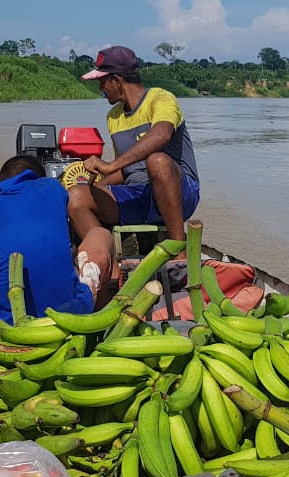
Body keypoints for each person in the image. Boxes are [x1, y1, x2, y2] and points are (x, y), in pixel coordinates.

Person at [68, 45, 200, 307]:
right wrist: (95, 182)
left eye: (102, 83)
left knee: (158, 161)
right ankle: (113, 274)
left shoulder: (161, 99)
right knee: (76, 197)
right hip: (138, 194)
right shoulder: (114, 116)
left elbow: (161, 136)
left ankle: (178, 249)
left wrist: (109, 164)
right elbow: (124, 171)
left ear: (116, 80)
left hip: (178, 191)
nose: (100, 89)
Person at [0, 156, 94, 323]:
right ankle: (99, 320)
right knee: (101, 235)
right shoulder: (53, 188)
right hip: (68, 315)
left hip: (9, 322)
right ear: (38, 179)